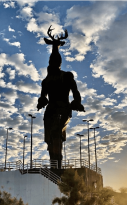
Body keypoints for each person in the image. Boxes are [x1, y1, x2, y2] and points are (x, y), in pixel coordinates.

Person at [37, 26, 84, 169]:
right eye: (52, 58)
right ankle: (54, 165)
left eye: (56, 59)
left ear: (59, 61)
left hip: (64, 108)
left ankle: (58, 165)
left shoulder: (67, 75)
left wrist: (76, 101)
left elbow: (75, 91)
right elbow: (43, 96)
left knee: (57, 133)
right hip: (50, 110)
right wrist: (41, 102)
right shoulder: (46, 80)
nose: (54, 60)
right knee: (50, 138)